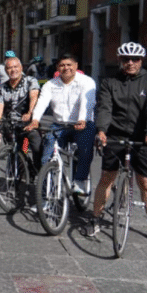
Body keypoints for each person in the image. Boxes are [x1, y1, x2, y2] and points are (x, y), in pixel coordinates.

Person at [84, 42, 147, 247]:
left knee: (145, 183)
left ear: (141, 61)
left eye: (135, 59)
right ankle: (95, 218)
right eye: (125, 59)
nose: (130, 63)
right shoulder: (110, 81)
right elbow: (105, 107)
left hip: (141, 137)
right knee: (107, 177)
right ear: (120, 60)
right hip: (115, 135)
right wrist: (102, 130)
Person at [25, 53, 97, 195]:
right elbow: (42, 102)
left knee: (85, 150)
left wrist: (82, 119)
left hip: (82, 125)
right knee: (46, 158)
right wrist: (35, 120)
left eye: (69, 65)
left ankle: (80, 180)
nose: (66, 68)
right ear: (58, 67)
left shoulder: (87, 82)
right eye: (62, 65)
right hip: (59, 125)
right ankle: (46, 197)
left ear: (76, 66)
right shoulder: (50, 84)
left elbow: (87, 102)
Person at [0, 57, 42, 175]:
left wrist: (29, 113)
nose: (13, 70)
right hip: (12, 126)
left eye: (15, 67)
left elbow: (34, 96)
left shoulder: (30, 81)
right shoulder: (2, 87)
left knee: (37, 148)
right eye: (9, 68)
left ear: (21, 68)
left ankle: (40, 177)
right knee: (17, 154)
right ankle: (20, 177)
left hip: (29, 124)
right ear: (6, 70)